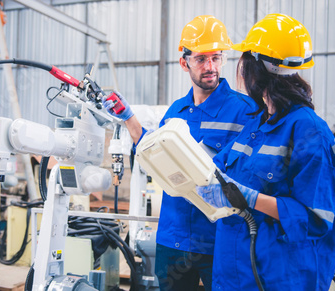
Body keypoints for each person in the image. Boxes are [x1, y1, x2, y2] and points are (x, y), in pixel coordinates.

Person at [103, 15, 256, 290]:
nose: (211, 67)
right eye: (201, 59)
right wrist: (129, 118)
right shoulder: (177, 111)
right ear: (184, 62)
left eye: (216, 58)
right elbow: (153, 154)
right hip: (173, 237)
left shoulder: (245, 111)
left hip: (220, 238)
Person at [196, 14, 335, 290]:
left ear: (256, 69)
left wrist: (249, 198)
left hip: (278, 277)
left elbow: (315, 218)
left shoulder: (308, 131)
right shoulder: (257, 123)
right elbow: (222, 168)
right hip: (233, 274)